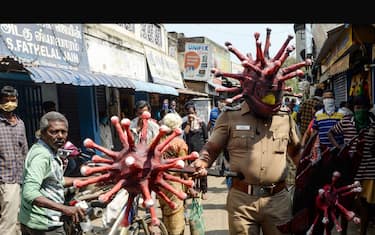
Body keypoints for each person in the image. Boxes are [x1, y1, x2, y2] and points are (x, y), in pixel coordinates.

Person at [191, 78, 301, 234]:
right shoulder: (230, 116)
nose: (270, 97)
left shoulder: (285, 118)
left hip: (278, 202)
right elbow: (212, 148)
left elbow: (296, 153)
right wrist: (202, 162)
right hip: (242, 203)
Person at [19, 111, 87, 235]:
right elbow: (29, 193)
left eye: (63, 131)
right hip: (44, 224)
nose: (60, 136)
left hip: (36, 221)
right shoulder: (42, 156)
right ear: (43, 133)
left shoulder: (49, 151)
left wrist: (89, 179)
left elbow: (56, 180)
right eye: (54, 132)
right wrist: (65, 209)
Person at [328, 95, 375, 235]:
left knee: (366, 205)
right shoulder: (346, 122)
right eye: (357, 108)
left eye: (363, 108)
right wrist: (339, 147)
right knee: (346, 203)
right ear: (353, 109)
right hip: (349, 169)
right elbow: (331, 133)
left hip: (369, 169)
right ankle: (343, 232)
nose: (360, 110)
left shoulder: (374, 123)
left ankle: (363, 232)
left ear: (368, 108)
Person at [0, 85, 29, 235]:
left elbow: (25, 151)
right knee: (8, 222)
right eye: (6, 100)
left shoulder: (20, 124)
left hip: (20, 179)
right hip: (5, 180)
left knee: (19, 220)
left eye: (13, 100)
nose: (10, 103)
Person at [158, 112, 188, 235]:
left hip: (159, 182)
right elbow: (183, 167)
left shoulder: (157, 141)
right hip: (174, 182)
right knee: (176, 214)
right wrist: (189, 185)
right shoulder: (179, 143)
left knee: (165, 210)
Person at [182, 103, 208, 200]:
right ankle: (192, 189)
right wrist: (189, 122)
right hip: (190, 152)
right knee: (190, 170)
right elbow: (185, 133)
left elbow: (206, 138)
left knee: (202, 170)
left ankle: (204, 190)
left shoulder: (202, 124)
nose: (191, 115)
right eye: (189, 113)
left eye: (192, 113)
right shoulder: (185, 124)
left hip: (200, 150)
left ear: (196, 112)